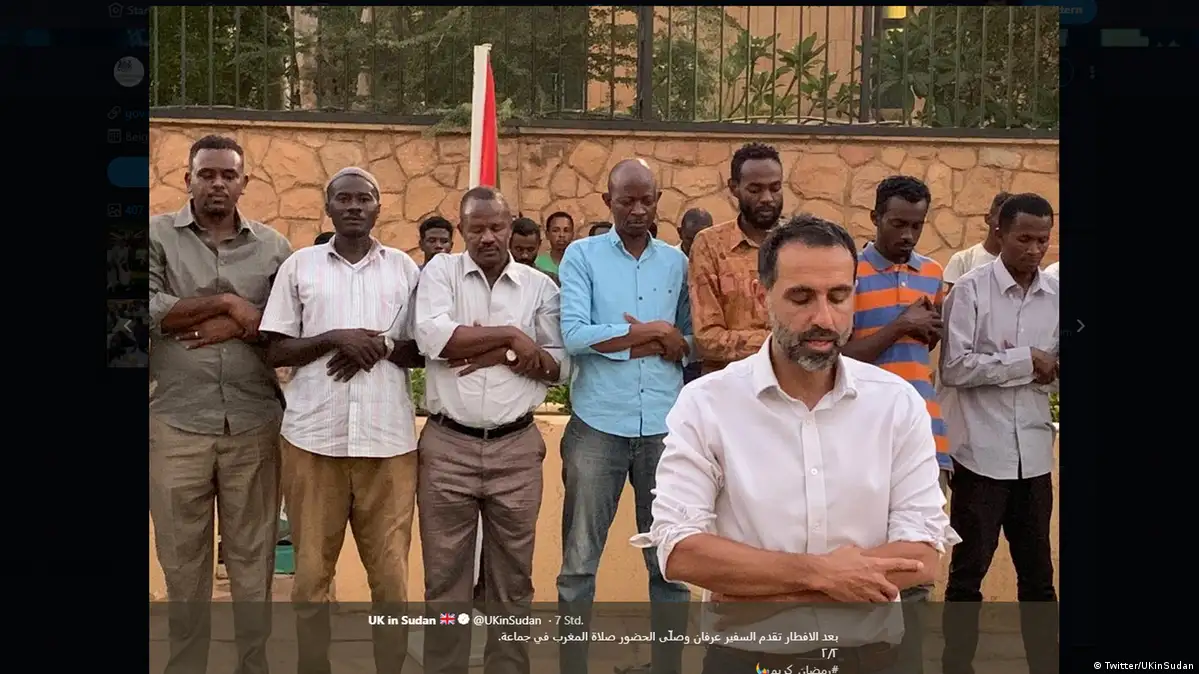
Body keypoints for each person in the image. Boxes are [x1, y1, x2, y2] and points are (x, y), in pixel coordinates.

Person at [632, 214, 957, 674]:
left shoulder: (896, 404)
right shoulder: (708, 404)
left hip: (871, 660)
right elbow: (681, 549)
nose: (823, 318)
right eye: (801, 297)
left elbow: (921, 554)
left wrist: (762, 596)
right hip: (748, 663)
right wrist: (822, 574)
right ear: (762, 296)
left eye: (838, 296)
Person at [259, 167, 425, 674]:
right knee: (311, 578)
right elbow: (275, 348)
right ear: (327, 207)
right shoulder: (300, 267)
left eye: (364, 199)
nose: (354, 206)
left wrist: (378, 345)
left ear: (379, 207)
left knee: (391, 580)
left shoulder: (404, 269)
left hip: (387, 446)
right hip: (313, 443)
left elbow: (423, 350)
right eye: (344, 199)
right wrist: (336, 338)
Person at [148, 134, 293, 674]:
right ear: (186, 179)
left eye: (228, 175)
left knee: (254, 558)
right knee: (182, 558)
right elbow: (143, 307)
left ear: (243, 183)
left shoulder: (274, 247)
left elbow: (285, 322)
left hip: (254, 422)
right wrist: (231, 304)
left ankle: (252, 663)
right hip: (176, 421)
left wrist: (228, 322)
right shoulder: (153, 236)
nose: (217, 183)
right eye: (206, 174)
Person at [413, 186, 569, 674]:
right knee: (445, 582)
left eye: (496, 227)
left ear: (510, 225)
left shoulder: (539, 288)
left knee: (513, 581)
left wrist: (494, 352)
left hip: (516, 449)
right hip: (448, 447)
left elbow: (559, 366)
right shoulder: (440, 272)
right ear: (461, 229)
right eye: (476, 228)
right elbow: (436, 340)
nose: (487, 237)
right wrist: (513, 337)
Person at [557, 158, 693, 674]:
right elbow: (575, 335)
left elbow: (688, 340)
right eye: (626, 200)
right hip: (598, 426)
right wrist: (648, 333)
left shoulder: (677, 263)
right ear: (607, 201)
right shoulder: (582, 256)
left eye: (646, 200)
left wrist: (656, 338)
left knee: (669, 564)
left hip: (664, 429)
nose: (637, 210)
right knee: (578, 565)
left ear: (658, 201)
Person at [939, 193, 1059, 674]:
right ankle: (956, 666)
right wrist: (1024, 361)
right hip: (981, 455)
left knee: (1040, 579)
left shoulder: (1057, 295)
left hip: (1034, 454)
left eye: (1043, 240)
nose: (1034, 249)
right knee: (968, 576)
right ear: (1000, 233)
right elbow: (954, 367)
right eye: (1024, 238)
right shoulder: (970, 290)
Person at [687, 142, 783, 375]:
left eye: (775, 188)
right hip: (728, 385)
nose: (767, 198)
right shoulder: (710, 245)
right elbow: (707, 339)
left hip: (791, 384)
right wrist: (784, 343)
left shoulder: (799, 243)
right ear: (734, 188)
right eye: (755, 190)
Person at [943, 192, 1009, 288]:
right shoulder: (962, 260)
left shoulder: (1018, 266)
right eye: (1000, 220)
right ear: (988, 219)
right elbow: (953, 296)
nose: (1005, 227)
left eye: (1010, 222)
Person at [509, 216, 559, 285]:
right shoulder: (496, 278)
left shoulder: (549, 282)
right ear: (509, 244)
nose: (525, 255)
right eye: (519, 249)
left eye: (530, 250)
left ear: (539, 245)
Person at [536, 210, 575, 275]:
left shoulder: (580, 263)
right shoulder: (538, 264)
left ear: (572, 234)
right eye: (555, 230)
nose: (561, 235)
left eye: (566, 230)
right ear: (547, 234)